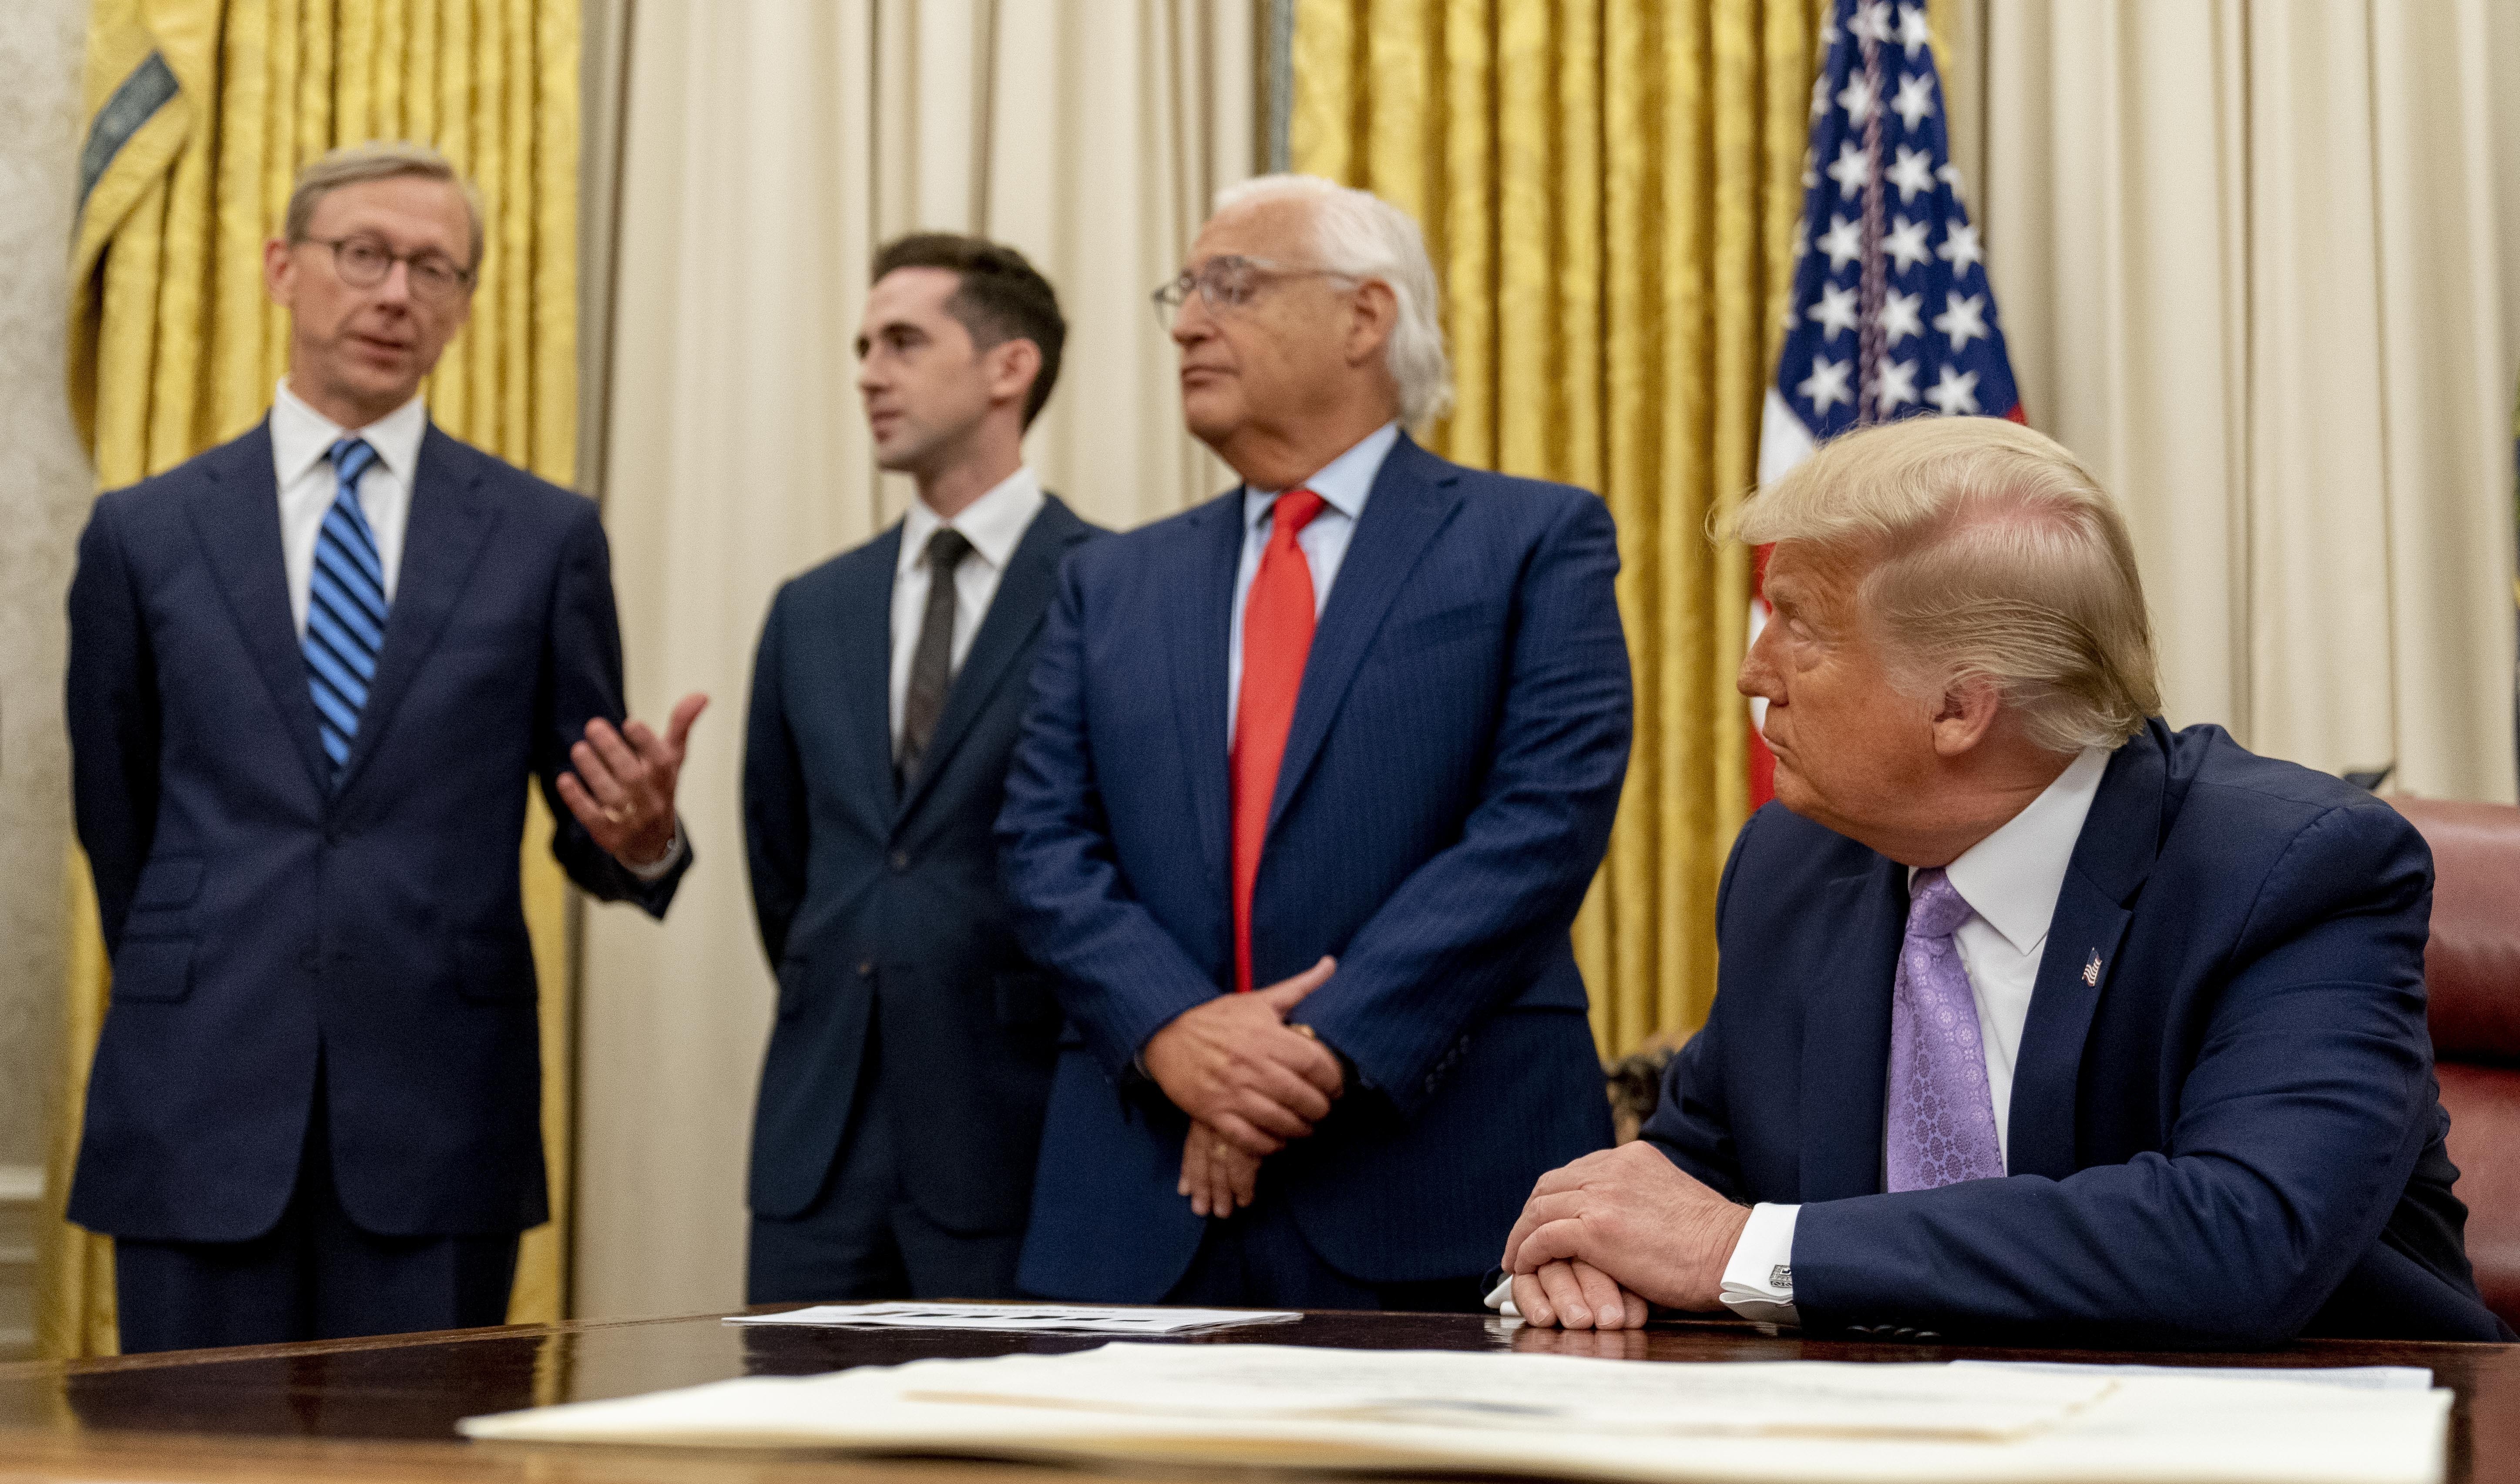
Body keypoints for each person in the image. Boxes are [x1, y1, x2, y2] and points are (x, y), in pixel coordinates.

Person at [1500, 416, 2509, 1346]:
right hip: (1878, 1474)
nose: (1753, 672)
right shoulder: (1791, 866)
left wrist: (1741, 1253)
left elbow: (2240, 1234)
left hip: (2304, 1482)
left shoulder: (2291, 870)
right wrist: (1590, 1245)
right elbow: (1688, 1174)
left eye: (1798, 624)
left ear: (1960, 708)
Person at [65, 143, 702, 1354]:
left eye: (434, 269)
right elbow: (123, 817)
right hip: (199, 1090)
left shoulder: (542, 535)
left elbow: (591, 813)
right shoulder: (143, 534)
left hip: (439, 1105)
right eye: (364, 255)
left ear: (464, 306)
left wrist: (643, 839)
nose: (396, 293)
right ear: (282, 269)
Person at [999, 175, 1632, 1310]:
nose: (1188, 321)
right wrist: (1175, 1032)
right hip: (1136, 1201)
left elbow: (1539, 825)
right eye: (1183, 293)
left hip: (1432, 1177)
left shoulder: (1534, 538)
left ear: (1364, 317)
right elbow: (1042, 842)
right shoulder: (1106, 581)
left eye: (1230, 285)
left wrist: (1305, 1055)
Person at [742, 235, 1101, 1304]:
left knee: (991, 1466)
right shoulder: (812, 607)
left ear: (1010, 368)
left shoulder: (1113, 587)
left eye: (902, 341)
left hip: (1015, 1135)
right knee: (790, 1459)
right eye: (861, 345)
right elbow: (785, 866)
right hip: (816, 1149)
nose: (867, 371)